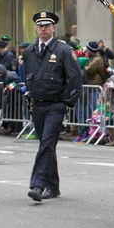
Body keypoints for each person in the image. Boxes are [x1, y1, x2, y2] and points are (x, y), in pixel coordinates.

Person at [23, 11, 82, 202]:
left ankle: (38, 185)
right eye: (40, 26)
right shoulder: (30, 51)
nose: (43, 29)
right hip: (37, 105)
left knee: (47, 143)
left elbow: (75, 77)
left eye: (47, 26)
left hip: (55, 105)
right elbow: (29, 76)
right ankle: (53, 186)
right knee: (46, 146)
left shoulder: (63, 50)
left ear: (54, 28)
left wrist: (66, 101)